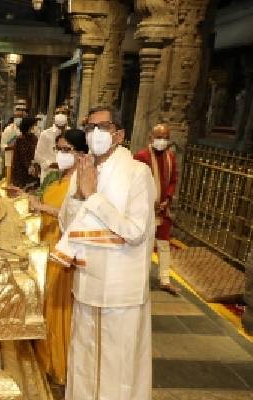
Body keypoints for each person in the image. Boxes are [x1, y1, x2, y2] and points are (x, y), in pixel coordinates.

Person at [53, 106, 155, 400]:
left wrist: (93, 197)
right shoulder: (84, 169)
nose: (95, 134)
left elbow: (135, 231)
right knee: (84, 362)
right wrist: (78, 195)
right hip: (87, 282)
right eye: (89, 128)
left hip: (120, 289)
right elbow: (66, 223)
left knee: (117, 366)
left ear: (119, 135)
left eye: (103, 127)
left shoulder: (138, 173)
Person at [30, 129, 89, 386]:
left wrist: (41, 207)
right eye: (59, 149)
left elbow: (76, 216)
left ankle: (60, 364)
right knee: (46, 306)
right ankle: (45, 360)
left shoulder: (81, 182)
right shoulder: (59, 177)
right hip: (47, 247)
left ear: (80, 154)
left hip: (64, 251)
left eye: (67, 150)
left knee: (59, 309)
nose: (61, 154)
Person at [134, 123, 180, 296]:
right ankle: (140, 278)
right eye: (159, 137)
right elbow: (135, 183)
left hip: (162, 209)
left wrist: (167, 198)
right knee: (144, 245)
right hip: (145, 209)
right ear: (150, 138)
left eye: (166, 138)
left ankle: (165, 280)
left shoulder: (170, 157)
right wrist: (148, 200)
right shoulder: (141, 156)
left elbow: (173, 180)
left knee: (164, 244)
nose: (162, 141)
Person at [34, 112, 69, 182]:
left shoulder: (69, 133)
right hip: (49, 173)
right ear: (54, 124)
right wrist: (51, 164)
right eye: (59, 127)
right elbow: (38, 156)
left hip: (65, 174)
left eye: (63, 127)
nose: (61, 130)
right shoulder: (45, 134)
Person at [10, 116, 40, 190]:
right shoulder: (20, 139)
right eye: (34, 125)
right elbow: (22, 156)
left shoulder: (34, 138)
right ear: (29, 126)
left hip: (32, 169)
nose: (36, 127)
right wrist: (29, 167)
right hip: (21, 171)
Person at [1, 107, 26, 181]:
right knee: (9, 179)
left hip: (22, 161)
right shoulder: (9, 129)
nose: (19, 118)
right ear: (14, 117)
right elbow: (3, 145)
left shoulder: (25, 129)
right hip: (11, 158)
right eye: (17, 116)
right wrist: (12, 146)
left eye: (21, 116)